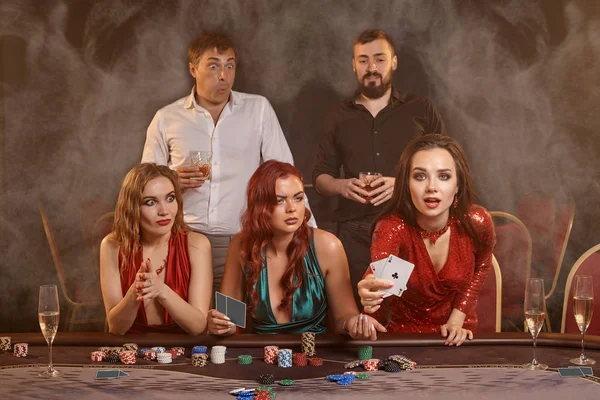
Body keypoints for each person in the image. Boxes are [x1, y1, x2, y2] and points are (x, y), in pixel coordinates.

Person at [141, 32, 315, 294]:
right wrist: (171, 182)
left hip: (244, 240)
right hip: (181, 240)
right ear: (193, 69)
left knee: (231, 323)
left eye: (229, 66)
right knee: (187, 322)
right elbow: (142, 185)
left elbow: (286, 176)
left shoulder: (258, 109)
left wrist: (310, 234)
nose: (223, 75)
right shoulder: (167, 118)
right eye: (213, 66)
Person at [312, 29, 446, 305]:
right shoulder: (337, 115)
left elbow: (447, 166)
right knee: (356, 313)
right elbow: (320, 179)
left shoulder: (420, 108)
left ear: (394, 62)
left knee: (397, 311)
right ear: (353, 65)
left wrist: (402, 183)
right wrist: (341, 185)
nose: (371, 67)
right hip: (353, 233)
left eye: (379, 59)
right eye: (363, 60)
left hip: (409, 227)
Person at [207, 160, 385, 339]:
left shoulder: (328, 246)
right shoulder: (241, 244)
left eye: (298, 198)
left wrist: (353, 323)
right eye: (279, 200)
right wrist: (221, 324)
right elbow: (229, 317)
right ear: (260, 205)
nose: (292, 208)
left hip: (315, 356)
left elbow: (343, 317)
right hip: (260, 356)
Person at [357, 134, 495, 346]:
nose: (432, 186)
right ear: (406, 184)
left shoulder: (476, 221)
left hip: (457, 333)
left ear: (458, 184)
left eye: (444, 176)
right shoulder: (393, 228)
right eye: (420, 176)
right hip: (404, 339)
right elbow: (381, 278)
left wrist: (457, 319)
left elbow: (482, 266)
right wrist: (369, 289)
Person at [100, 163, 212, 335]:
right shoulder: (112, 246)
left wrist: (161, 290)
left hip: (183, 354)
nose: (164, 211)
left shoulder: (197, 245)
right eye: (150, 202)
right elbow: (116, 328)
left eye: (170, 198)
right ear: (132, 208)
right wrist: (134, 293)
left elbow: (197, 327)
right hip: (132, 351)